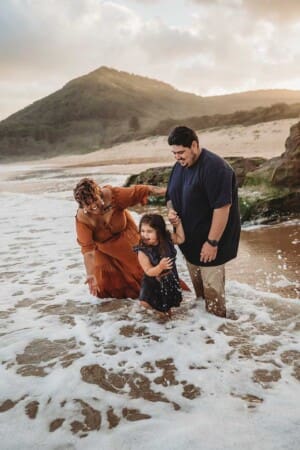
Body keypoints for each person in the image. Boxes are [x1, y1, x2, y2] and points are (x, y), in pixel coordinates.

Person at [166, 126, 241, 318]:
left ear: (194, 145)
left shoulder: (216, 168)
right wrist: (171, 211)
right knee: (201, 298)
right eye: (174, 153)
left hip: (212, 246)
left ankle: (221, 338)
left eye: (181, 152)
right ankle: (204, 337)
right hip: (189, 244)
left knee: (214, 301)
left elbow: (222, 208)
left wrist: (212, 242)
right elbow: (169, 197)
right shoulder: (179, 166)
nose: (177, 157)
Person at [73, 178, 166, 299]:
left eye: (95, 200)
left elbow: (140, 191)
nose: (94, 206)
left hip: (127, 239)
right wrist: (90, 274)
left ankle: (158, 300)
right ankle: (121, 314)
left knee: (145, 272)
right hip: (103, 250)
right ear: (82, 206)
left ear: (99, 193)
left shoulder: (114, 196)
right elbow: (88, 251)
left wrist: (167, 191)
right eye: (88, 205)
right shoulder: (83, 219)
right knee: (105, 285)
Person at [134, 213, 186, 317]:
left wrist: (178, 225)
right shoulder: (142, 251)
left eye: (149, 231)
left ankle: (169, 324)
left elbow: (180, 239)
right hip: (153, 281)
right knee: (155, 307)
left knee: (168, 306)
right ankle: (158, 320)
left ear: (159, 232)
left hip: (169, 278)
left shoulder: (167, 238)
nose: (145, 235)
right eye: (142, 231)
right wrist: (160, 267)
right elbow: (148, 271)